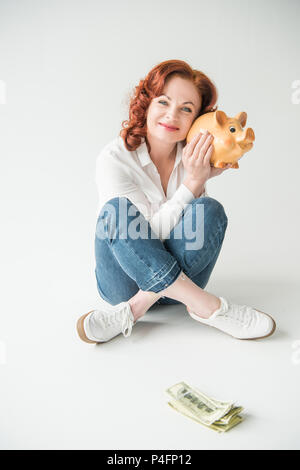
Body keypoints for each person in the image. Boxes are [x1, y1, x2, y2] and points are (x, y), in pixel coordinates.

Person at [76, 59, 276, 344]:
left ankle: (133, 311)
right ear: (146, 103)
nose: (172, 115)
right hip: (122, 285)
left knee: (210, 211)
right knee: (116, 211)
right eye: (163, 102)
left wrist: (199, 175)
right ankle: (209, 307)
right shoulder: (114, 158)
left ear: (198, 119)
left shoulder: (194, 158)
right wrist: (193, 183)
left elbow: (190, 235)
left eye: (186, 109)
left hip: (173, 296)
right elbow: (141, 239)